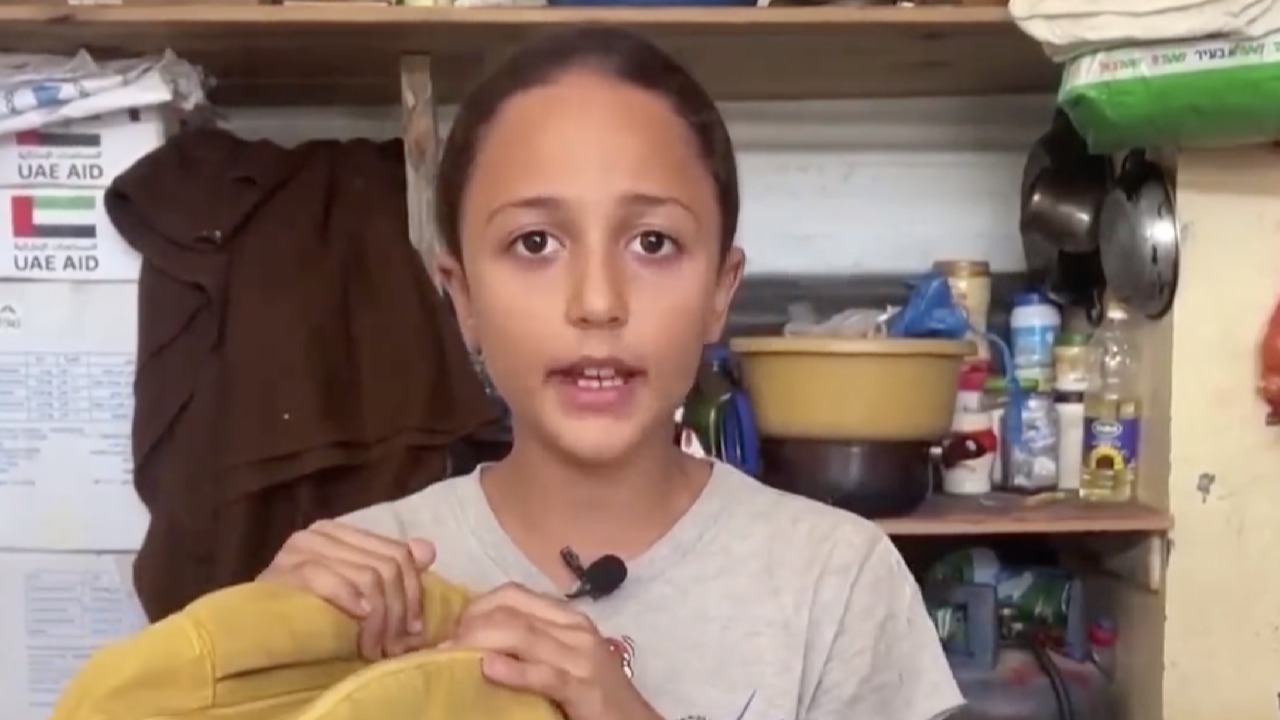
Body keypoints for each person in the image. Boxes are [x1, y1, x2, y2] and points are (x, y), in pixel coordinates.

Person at [259, 26, 964, 720]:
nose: (597, 303)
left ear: (720, 292)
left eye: (653, 242)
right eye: (535, 242)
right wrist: (260, 658)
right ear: (464, 297)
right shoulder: (360, 583)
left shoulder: (836, 582)